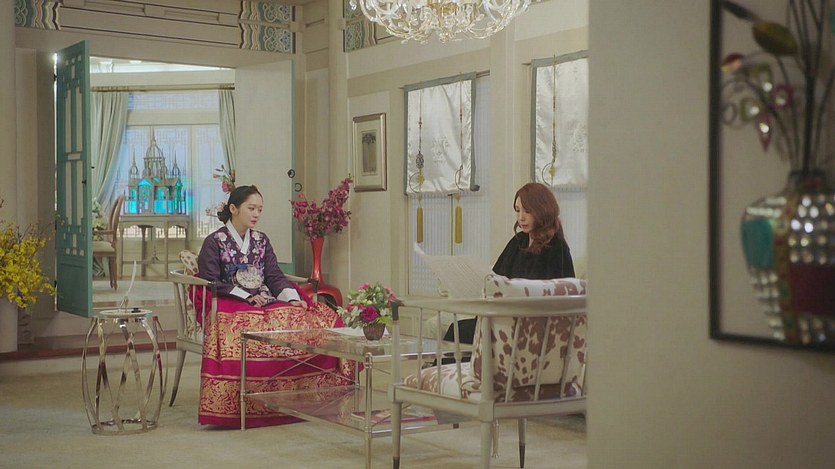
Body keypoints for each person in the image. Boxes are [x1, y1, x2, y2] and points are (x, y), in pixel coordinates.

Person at [196, 185, 352, 428]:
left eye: (259, 209)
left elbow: (274, 275)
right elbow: (211, 280)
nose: (256, 214)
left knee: (316, 317)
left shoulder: (261, 240)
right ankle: (245, 403)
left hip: (265, 299)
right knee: (246, 330)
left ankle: (309, 397)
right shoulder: (214, 242)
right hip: (230, 301)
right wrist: (245, 297)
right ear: (233, 208)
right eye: (251, 208)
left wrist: (291, 298)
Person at [444, 182, 575, 344]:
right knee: (457, 329)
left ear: (542, 210)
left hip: (532, 325)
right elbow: (496, 276)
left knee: (461, 332)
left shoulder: (556, 247)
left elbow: (558, 296)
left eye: (527, 211)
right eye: (518, 210)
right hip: (506, 317)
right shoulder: (518, 241)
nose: (521, 217)